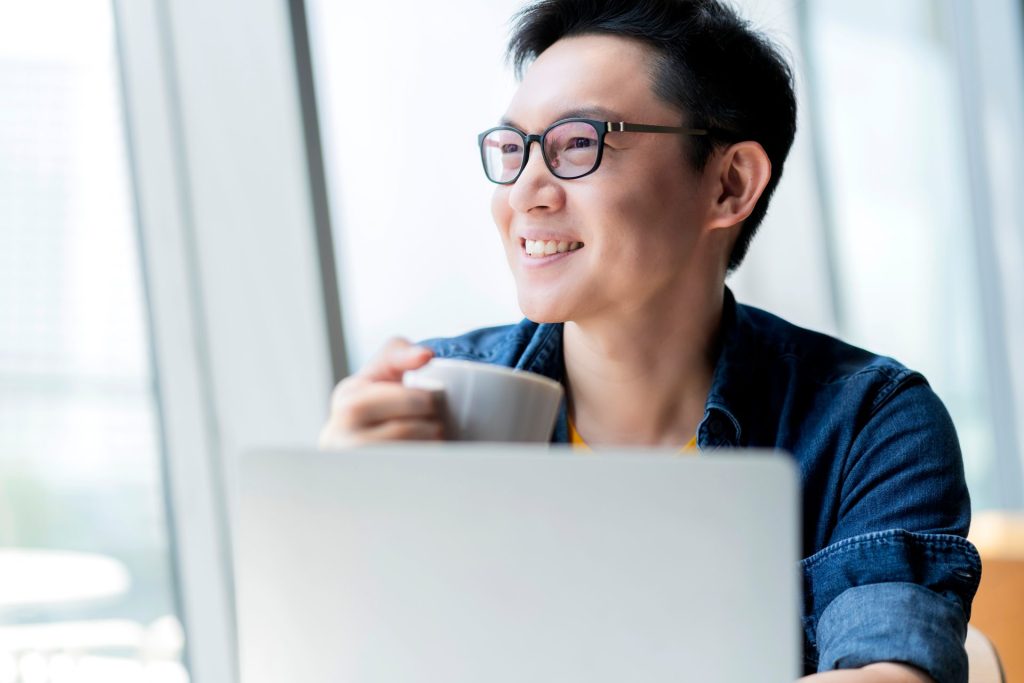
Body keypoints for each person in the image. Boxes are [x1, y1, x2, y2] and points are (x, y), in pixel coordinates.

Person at [318, 1, 981, 680]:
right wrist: (342, 525)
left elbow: (891, 671)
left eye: (577, 143)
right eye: (514, 149)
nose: (524, 193)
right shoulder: (441, 401)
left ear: (729, 184)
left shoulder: (866, 424)